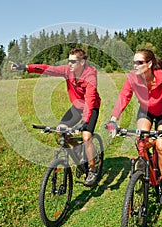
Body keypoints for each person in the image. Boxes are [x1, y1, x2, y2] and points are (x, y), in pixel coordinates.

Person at [10, 48, 101, 187]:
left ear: (82, 62)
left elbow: (90, 99)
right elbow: (48, 69)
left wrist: (85, 121)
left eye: (73, 61)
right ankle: (79, 151)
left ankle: (93, 170)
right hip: (77, 106)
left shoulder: (90, 75)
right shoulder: (67, 71)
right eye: (68, 61)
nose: (69, 64)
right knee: (61, 131)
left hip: (91, 107)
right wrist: (25, 67)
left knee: (87, 137)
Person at [107, 49, 162, 207]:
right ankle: (144, 162)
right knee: (141, 138)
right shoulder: (132, 78)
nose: (135, 66)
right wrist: (113, 119)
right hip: (145, 111)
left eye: (139, 62)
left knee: (161, 146)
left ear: (149, 64)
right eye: (133, 62)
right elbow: (124, 96)